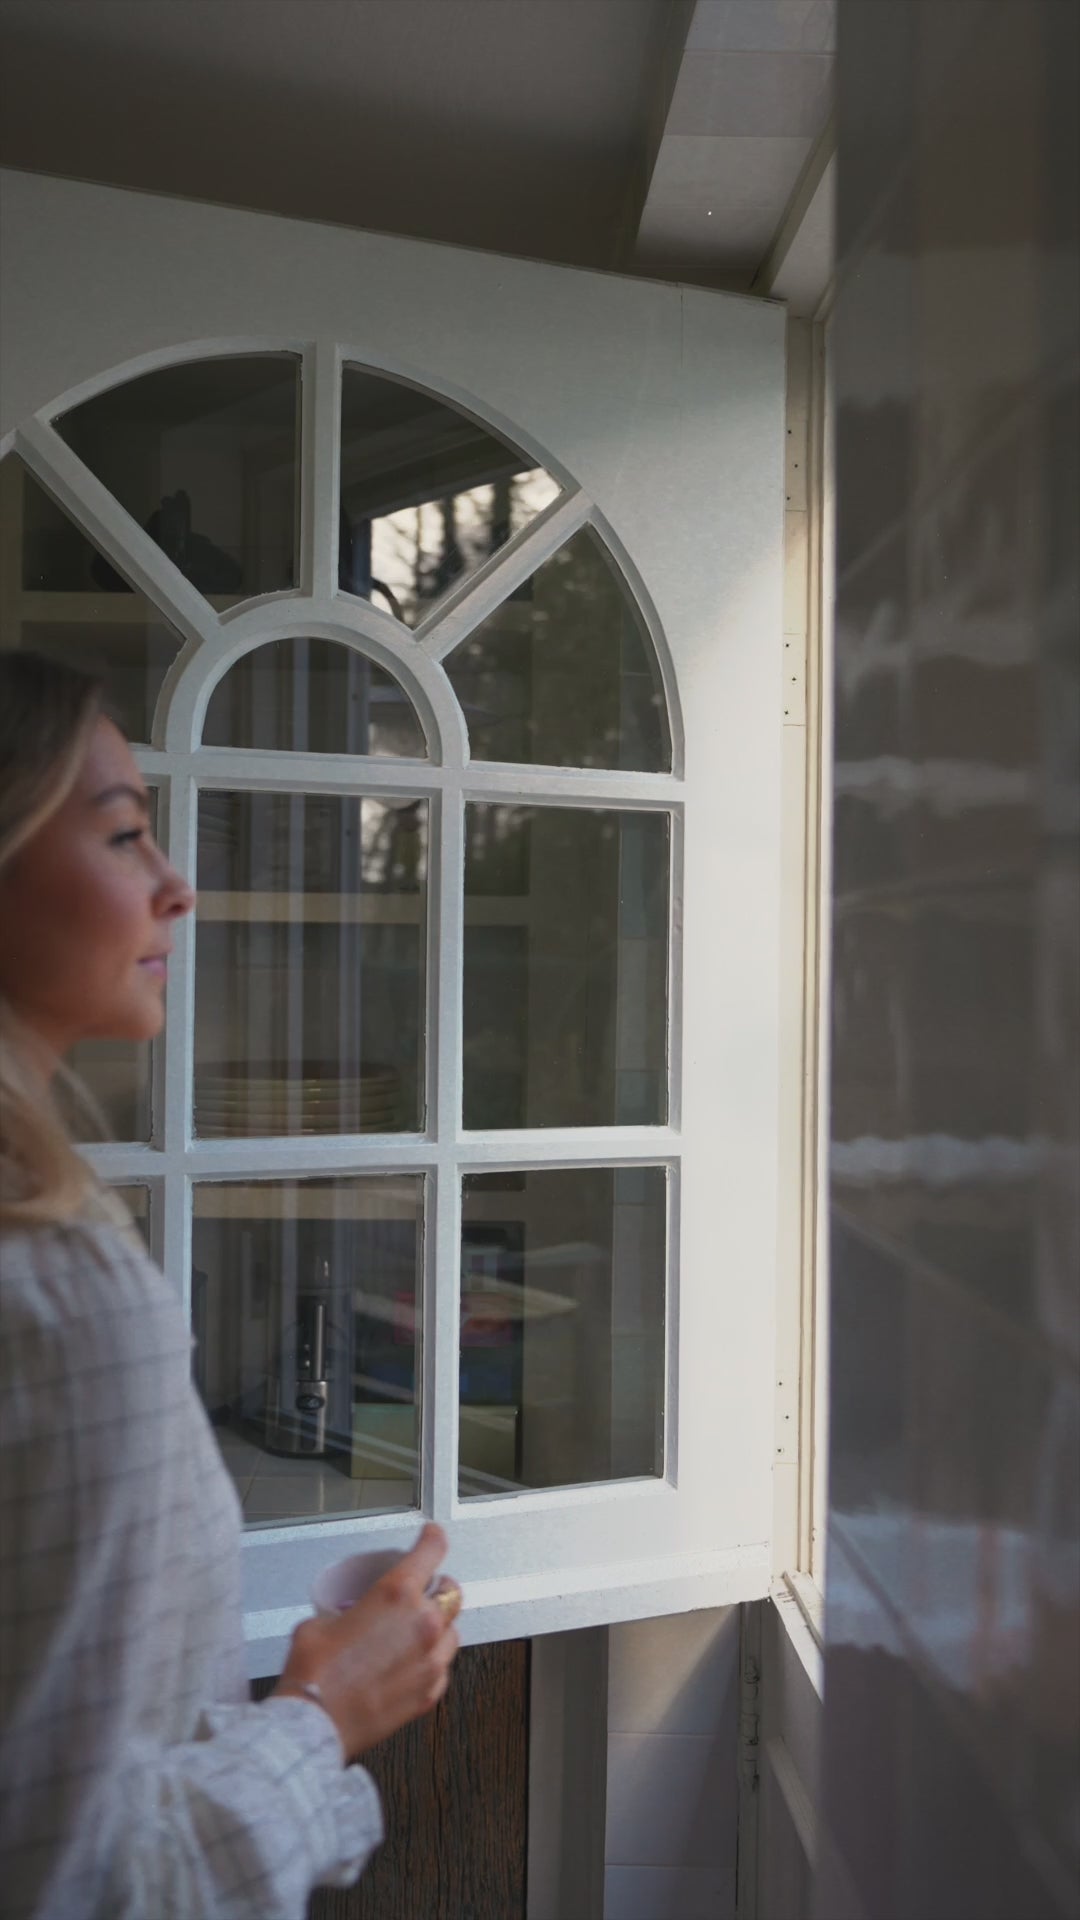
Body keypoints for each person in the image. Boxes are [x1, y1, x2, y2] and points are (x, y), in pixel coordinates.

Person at [0, 651, 461, 1919]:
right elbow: (77, 1883)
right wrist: (326, 1713)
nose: (176, 887)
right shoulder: (59, 1294)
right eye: (127, 834)